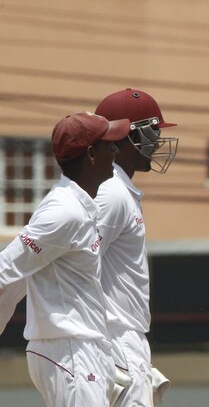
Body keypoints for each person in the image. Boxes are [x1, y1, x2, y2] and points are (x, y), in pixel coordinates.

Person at [0, 111, 131, 406]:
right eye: (108, 143)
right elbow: (7, 268)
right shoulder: (64, 211)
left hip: (78, 348)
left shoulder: (80, 205)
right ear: (90, 154)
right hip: (68, 350)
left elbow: (24, 272)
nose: (115, 150)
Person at [94, 88, 178, 406]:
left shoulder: (120, 189)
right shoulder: (111, 192)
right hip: (114, 339)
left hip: (124, 339)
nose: (157, 141)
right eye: (152, 131)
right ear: (126, 136)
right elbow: (78, 263)